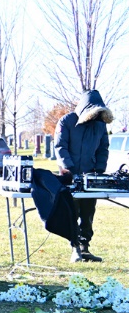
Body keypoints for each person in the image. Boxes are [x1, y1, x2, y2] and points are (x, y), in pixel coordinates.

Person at [54, 89, 112, 262]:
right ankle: (75, 249)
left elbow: (103, 149)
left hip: (91, 177)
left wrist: (99, 170)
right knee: (72, 212)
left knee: (88, 213)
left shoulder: (100, 125)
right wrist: (69, 169)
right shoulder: (67, 121)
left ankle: (85, 248)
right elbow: (60, 147)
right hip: (70, 176)